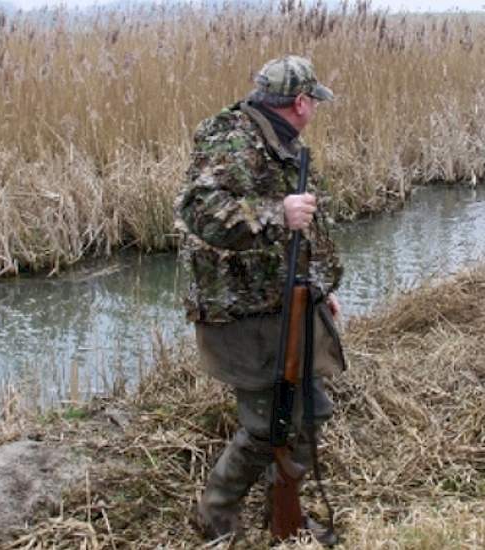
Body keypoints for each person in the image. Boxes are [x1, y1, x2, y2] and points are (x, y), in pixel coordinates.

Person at [174, 55, 347, 544]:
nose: (315, 109)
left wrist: (318, 291)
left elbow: (305, 233)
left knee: (309, 413)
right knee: (263, 427)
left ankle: (284, 513)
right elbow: (199, 212)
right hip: (241, 314)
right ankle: (215, 518)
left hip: (282, 305)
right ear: (299, 102)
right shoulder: (232, 140)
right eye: (314, 100)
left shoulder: (284, 143)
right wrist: (277, 213)